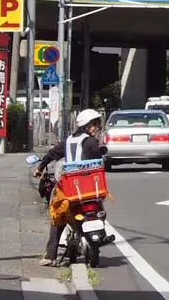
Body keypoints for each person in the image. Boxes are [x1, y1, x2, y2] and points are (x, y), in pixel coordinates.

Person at [33, 108, 107, 266]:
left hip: (70, 187)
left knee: (58, 215)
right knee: (99, 207)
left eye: (97, 125)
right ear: (86, 126)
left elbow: (52, 154)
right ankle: (100, 233)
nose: (96, 128)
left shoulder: (68, 141)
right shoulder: (91, 142)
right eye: (94, 125)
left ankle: (50, 255)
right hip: (90, 187)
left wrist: (40, 168)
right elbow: (98, 160)